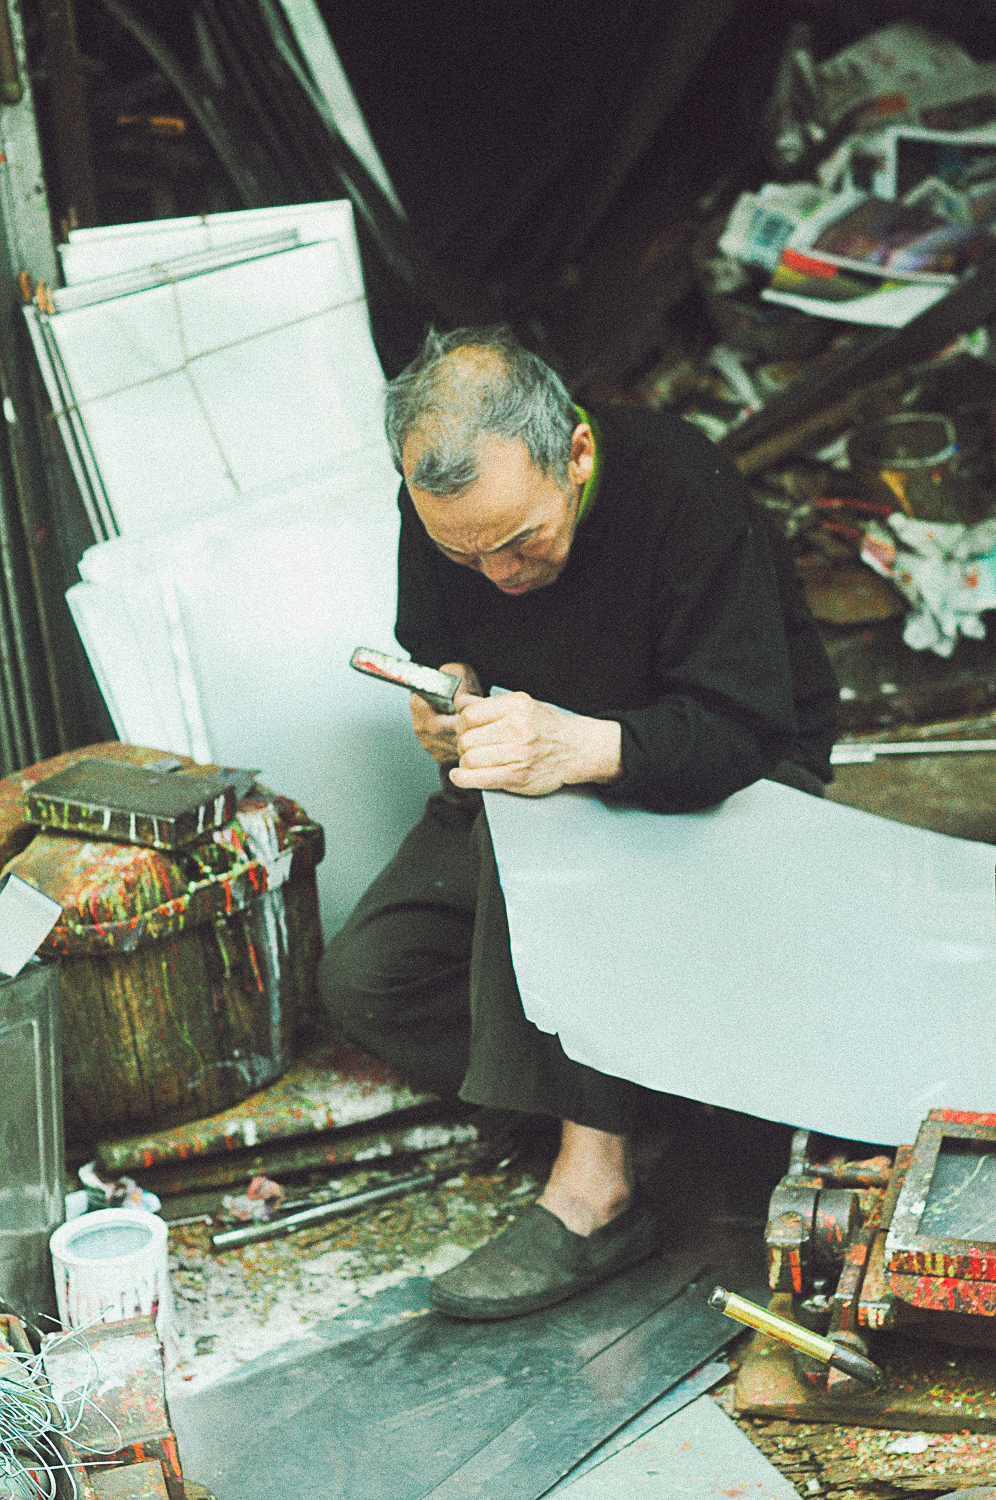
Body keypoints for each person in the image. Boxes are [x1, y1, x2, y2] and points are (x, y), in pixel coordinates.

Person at [319, 326, 838, 1321]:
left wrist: (574, 750)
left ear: (578, 456)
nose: (499, 574)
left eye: (522, 541)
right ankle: (645, 1104)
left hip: (713, 771)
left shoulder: (683, 490)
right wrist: (445, 697)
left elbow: (745, 726)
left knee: (537, 861)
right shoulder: (452, 509)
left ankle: (595, 1188)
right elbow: (439, 641)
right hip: (539, 770)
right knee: (371, 977)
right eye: (464, 553)